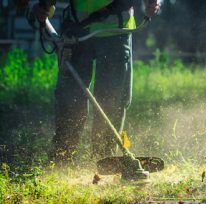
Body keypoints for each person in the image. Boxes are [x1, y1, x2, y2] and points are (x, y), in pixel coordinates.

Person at [30, 0, 160, 176]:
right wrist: (43, 6)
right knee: (71, 100)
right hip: (77, 31)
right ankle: (62, 161)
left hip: (116, 31)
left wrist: (151, 3)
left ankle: (104, 161)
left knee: (112, 100)